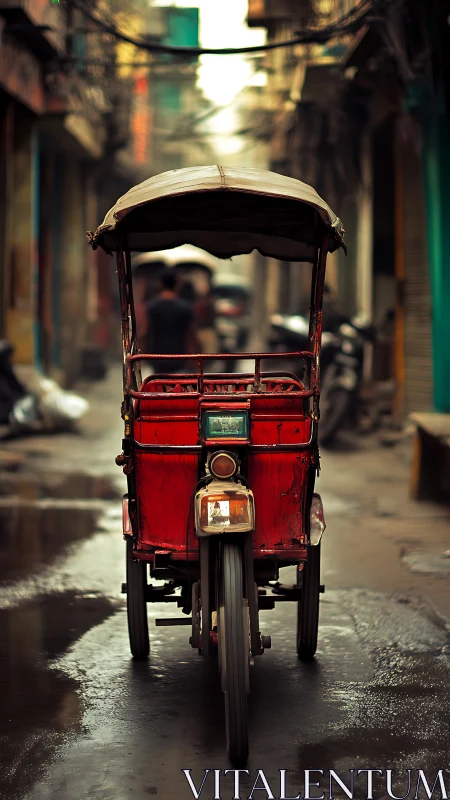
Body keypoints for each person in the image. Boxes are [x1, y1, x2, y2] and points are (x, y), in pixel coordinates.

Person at [145, 268, 200, 374]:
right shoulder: (185, 307)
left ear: (160, 284)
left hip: (157, 358)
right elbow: (191, 334)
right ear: (177, 284)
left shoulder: (151, 307)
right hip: (179, 358)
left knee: (158, 387)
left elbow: (146, 332)